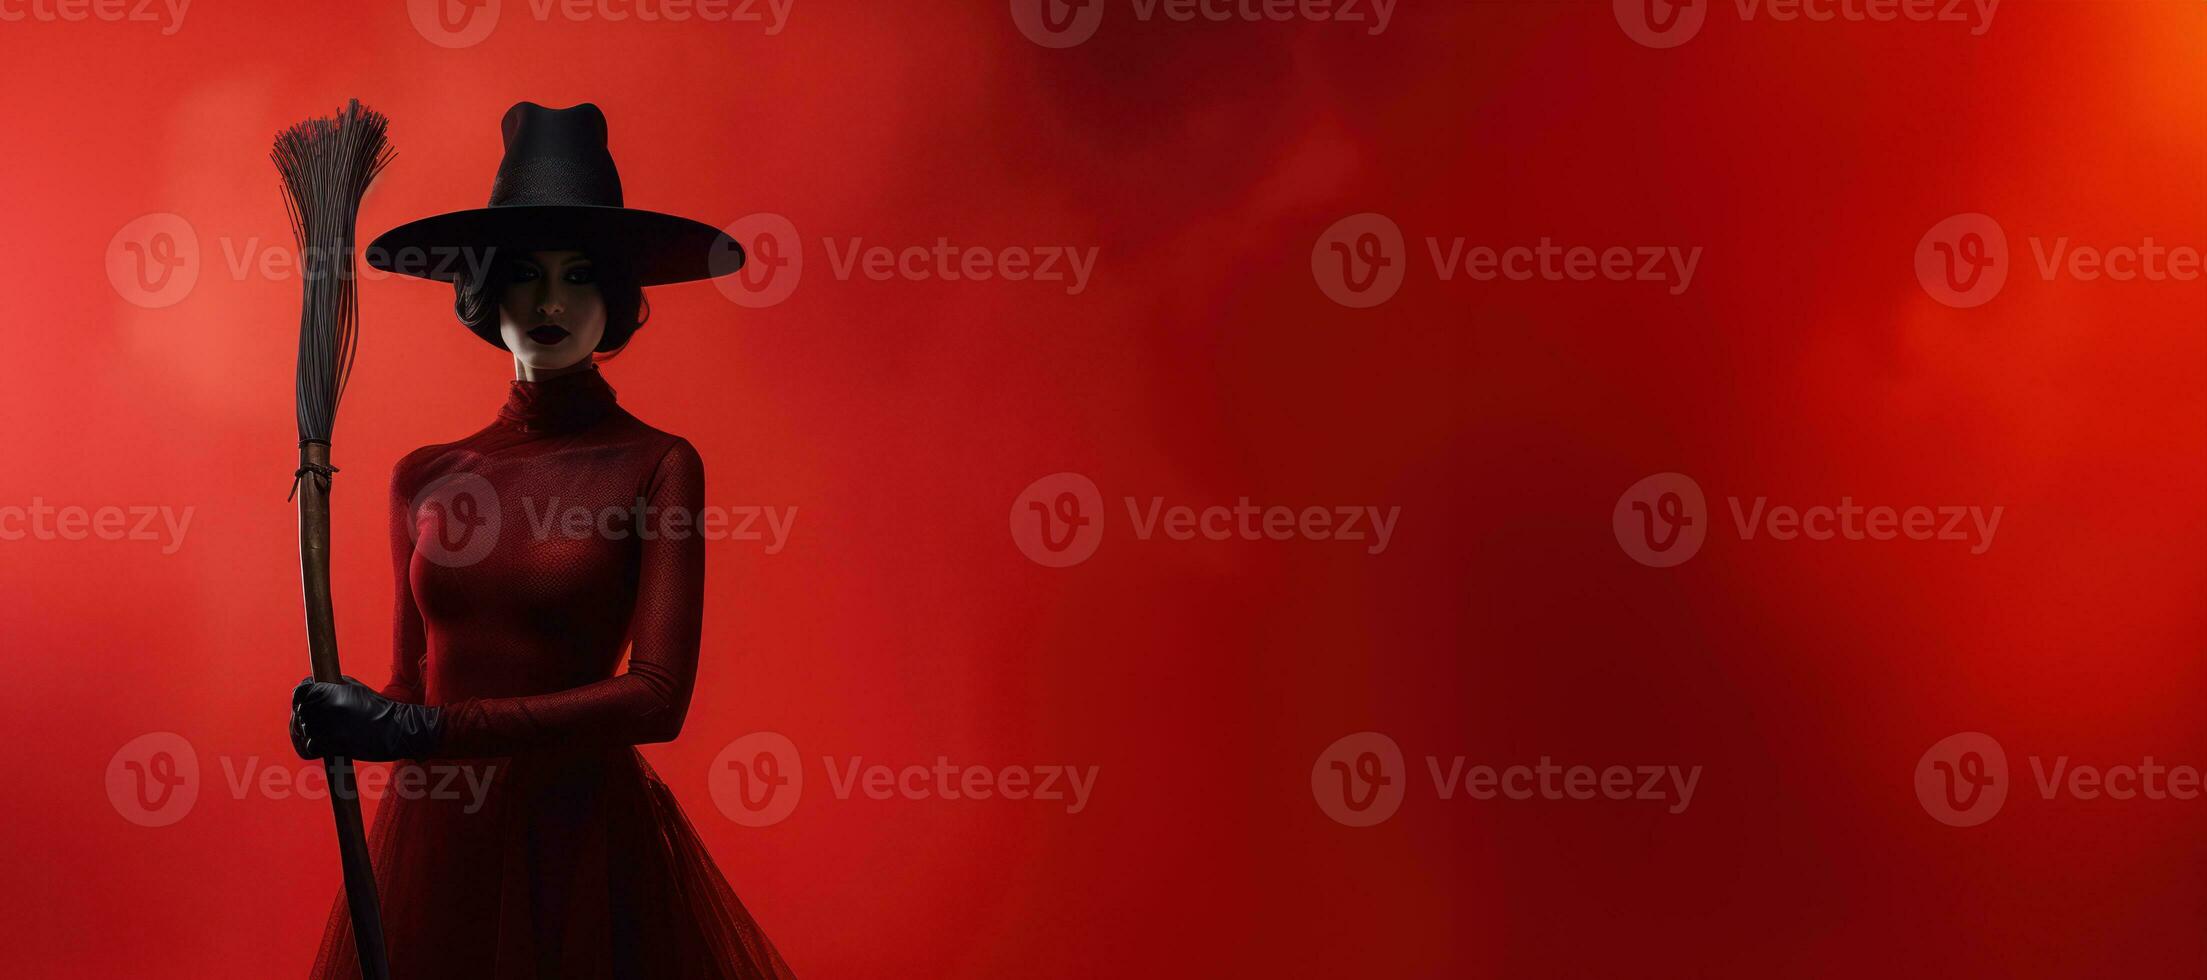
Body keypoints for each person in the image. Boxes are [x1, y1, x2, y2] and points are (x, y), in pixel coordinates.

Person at [289, 101, 792, 979]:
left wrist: (414, 727)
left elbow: (657, 699)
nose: (552, 301)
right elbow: (415, 685)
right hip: (439, 840)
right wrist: (348, 713)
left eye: (579, 275)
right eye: (525, 274)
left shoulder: (657, 463)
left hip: (581, 845)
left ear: (614, 296)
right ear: (488, 292)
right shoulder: (424, 473)